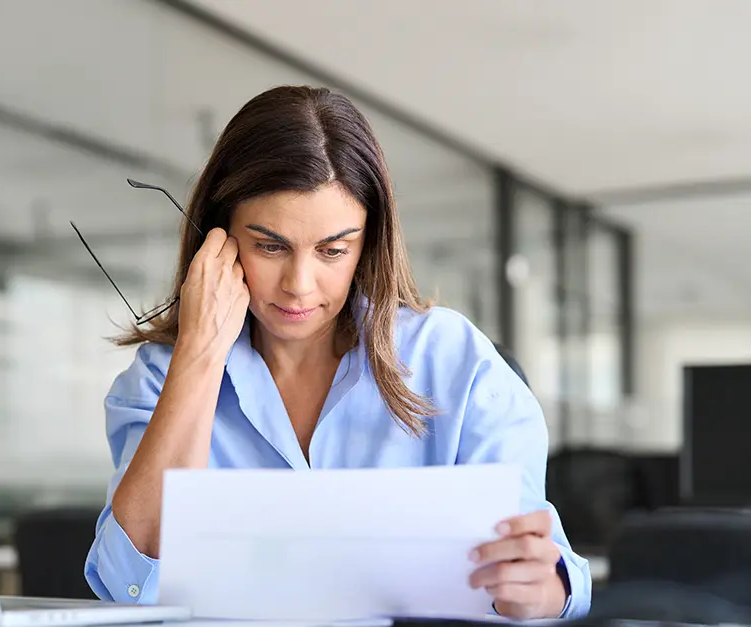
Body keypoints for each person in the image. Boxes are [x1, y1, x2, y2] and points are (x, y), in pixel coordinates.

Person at [83, 85, 591, 620]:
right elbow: (128, 586)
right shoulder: (162, 375)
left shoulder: (454, 360)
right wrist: (200, 354)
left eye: (333, 250)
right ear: (219, 240)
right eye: (270, 246)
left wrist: (544, 588)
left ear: (367, 244)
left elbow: (548, 571)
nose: (300, 284)